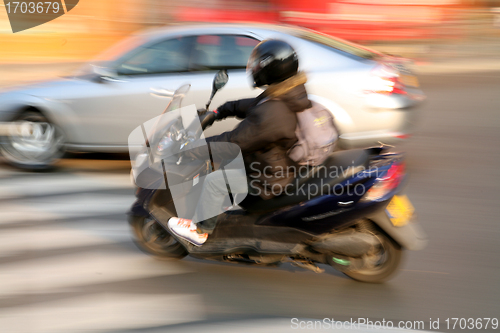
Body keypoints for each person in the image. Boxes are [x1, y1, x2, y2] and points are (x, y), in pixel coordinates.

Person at [165, 39, 312, 246]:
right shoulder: (284, 94)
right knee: (219, 164)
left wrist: (190, 150)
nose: (254, 68)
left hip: (267, 179)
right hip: (272, 163)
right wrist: (217, 112)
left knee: (215, 182)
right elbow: (251, 105)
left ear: (271, 68)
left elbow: (232, 142)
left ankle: (200, 230)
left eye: (258, 64)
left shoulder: (273, 113)